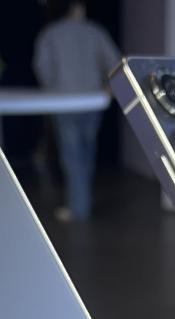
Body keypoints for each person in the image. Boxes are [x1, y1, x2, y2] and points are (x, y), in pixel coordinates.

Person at [33, 1, 120, 222]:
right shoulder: (96, 32)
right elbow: (115, 62)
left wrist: (53, 90)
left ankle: (79, 207)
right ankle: (82, 202)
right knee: (87, 151)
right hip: (92, 101)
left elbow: (42, 66)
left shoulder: (51, 33)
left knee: (72, 154)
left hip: (64, 102)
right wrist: (108, 88)